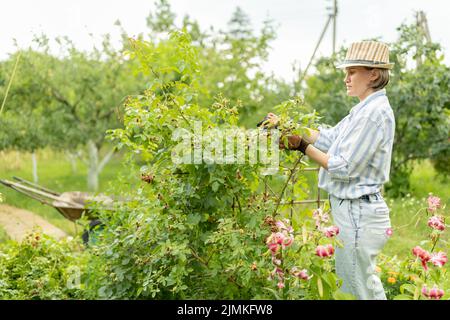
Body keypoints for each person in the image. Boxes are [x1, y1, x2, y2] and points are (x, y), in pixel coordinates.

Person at [269, 41, 396, 300]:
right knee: (361, 288)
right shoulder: (362, 110)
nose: (346, 78)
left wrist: (301, 145)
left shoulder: (372, 114)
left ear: (373, 74)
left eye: (352, 72)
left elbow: (343, 167)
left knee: (356, 291)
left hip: (358, 213)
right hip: (354, 211)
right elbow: (328, 138)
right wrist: (288, 125)